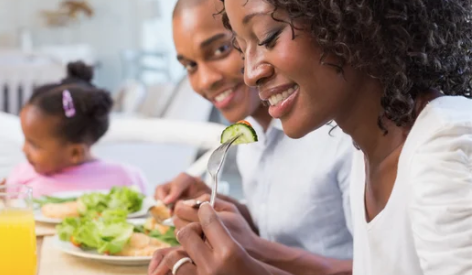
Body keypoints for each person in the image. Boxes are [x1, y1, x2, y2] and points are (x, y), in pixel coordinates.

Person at [150, 0, 472, 274]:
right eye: (240, 46)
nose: (250, 74)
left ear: (348, 16)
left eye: (267, 36)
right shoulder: (369, 149)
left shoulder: (442, 149)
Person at [153, 0, 354, 272]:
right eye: (190, 66)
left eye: (223, 49)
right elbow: (277, 229)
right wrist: (222, 210)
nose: (204, 81)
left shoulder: (344, 136)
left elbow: (381, 266)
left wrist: (256, 249)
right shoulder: (250, 135)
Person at [6, 61, 147, 197]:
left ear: (75, 153)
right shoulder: (22, 177)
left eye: (34, 145)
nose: (23, 149)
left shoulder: (126, 180)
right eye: (26, 139)